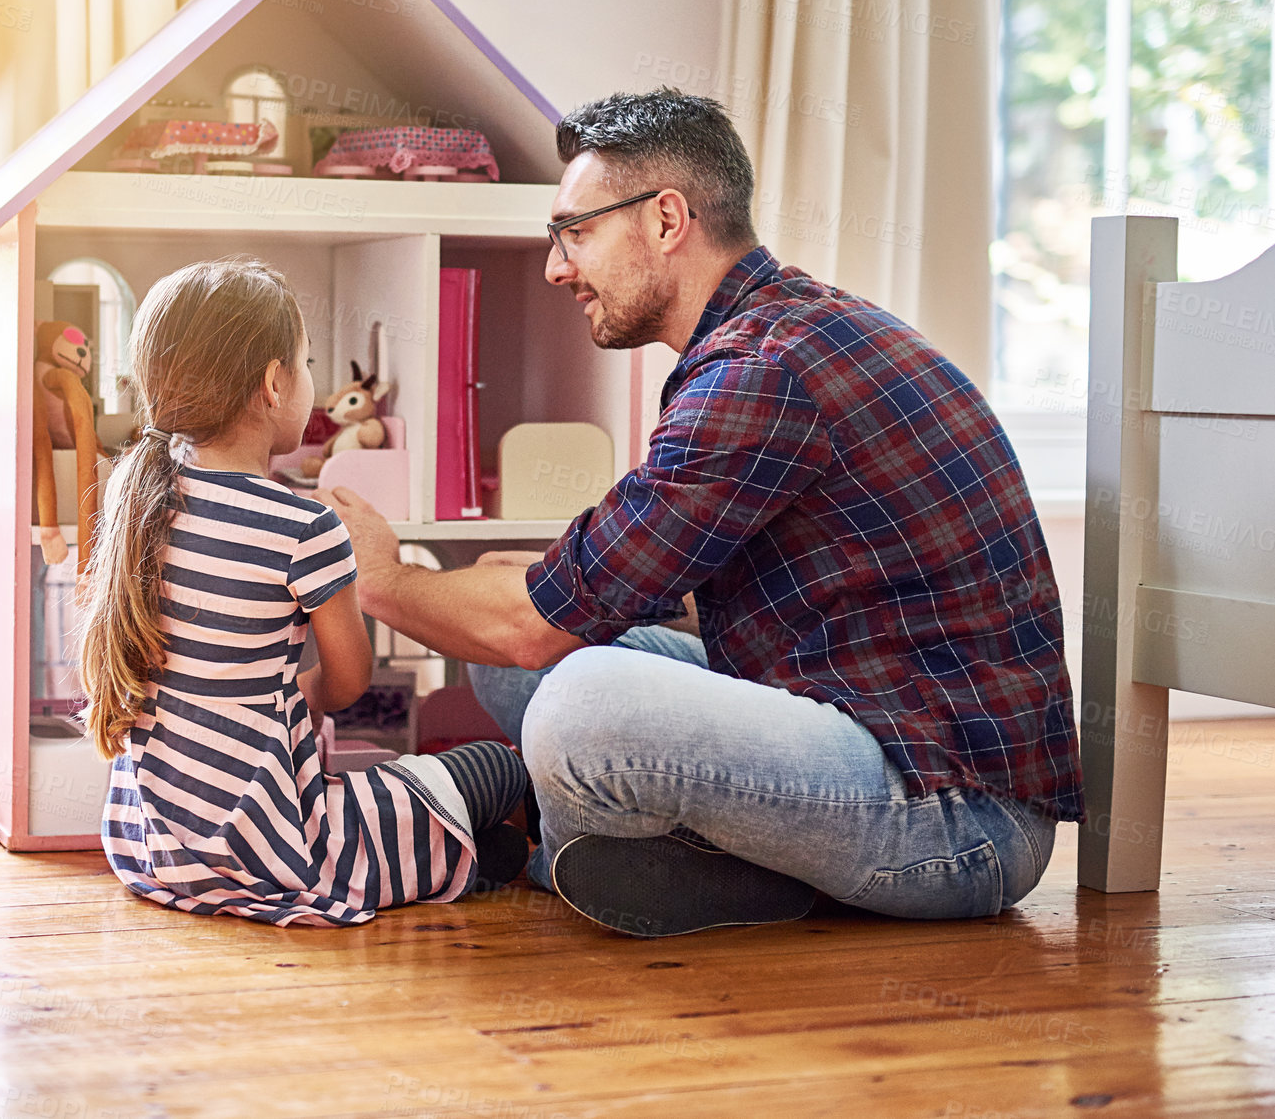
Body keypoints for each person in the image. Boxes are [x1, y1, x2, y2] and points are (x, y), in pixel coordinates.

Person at [317, 88, 1085, 939]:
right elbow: (596, 595)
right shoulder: (769, 335)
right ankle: (697, 859)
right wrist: (513, 593)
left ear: (665, 219)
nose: (556, 267)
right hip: (848, 717)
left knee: (578, 699)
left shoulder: (760, 369)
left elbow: (535, 628)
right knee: (513, 633)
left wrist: (378, 579)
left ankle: (571, 850)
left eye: (575, 231)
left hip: (954, 820)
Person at [79, 257, 529, 927]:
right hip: (276, 847)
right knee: (498, 769)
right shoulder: (303, 526)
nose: (313, 384)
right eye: (308, 362)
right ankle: (531, 854)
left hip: (156, 852)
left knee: (487, 847)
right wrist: (292, 701)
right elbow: (348, 683)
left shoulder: (134, 494)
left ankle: (486, 860)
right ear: (272, 383)